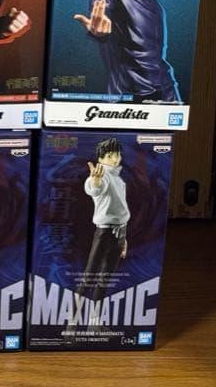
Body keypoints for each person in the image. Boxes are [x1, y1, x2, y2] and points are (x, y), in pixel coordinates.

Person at [75, 138, 129, 325]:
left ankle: (94, 323)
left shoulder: (119, 180)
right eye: (110, 155)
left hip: (119, 232)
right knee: (89, 277)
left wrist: (124, 238)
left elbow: (122, 212)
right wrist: (95, 181)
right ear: (101, 158)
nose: (116, 159)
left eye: (118, 154)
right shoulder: (102, 176)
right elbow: (94, 189)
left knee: (104, 280)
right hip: (104, 233)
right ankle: (72, 322)